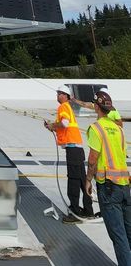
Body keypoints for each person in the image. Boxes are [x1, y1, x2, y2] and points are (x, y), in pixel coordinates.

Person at [85, 91, 131, 266]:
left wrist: (88, 180)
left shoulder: (96, 128)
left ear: (96, 107)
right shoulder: (119, 129)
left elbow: (93, 158)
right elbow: (122, 156)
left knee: (119, 237)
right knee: (129, 236)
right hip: (125, 186)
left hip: (109, 188)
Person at [44, 83, 94, 223]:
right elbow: (64, 127)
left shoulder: (63, 107)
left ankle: (74, 212)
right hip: (76, 148)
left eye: (60, 93)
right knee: (81, 180)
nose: (57, 95)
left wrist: (53, 125)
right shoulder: (67, 107)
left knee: (73, 181)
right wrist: (52, 127)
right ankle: (88, 211)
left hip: (73, 149)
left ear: (65, 96)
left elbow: (64, 124)